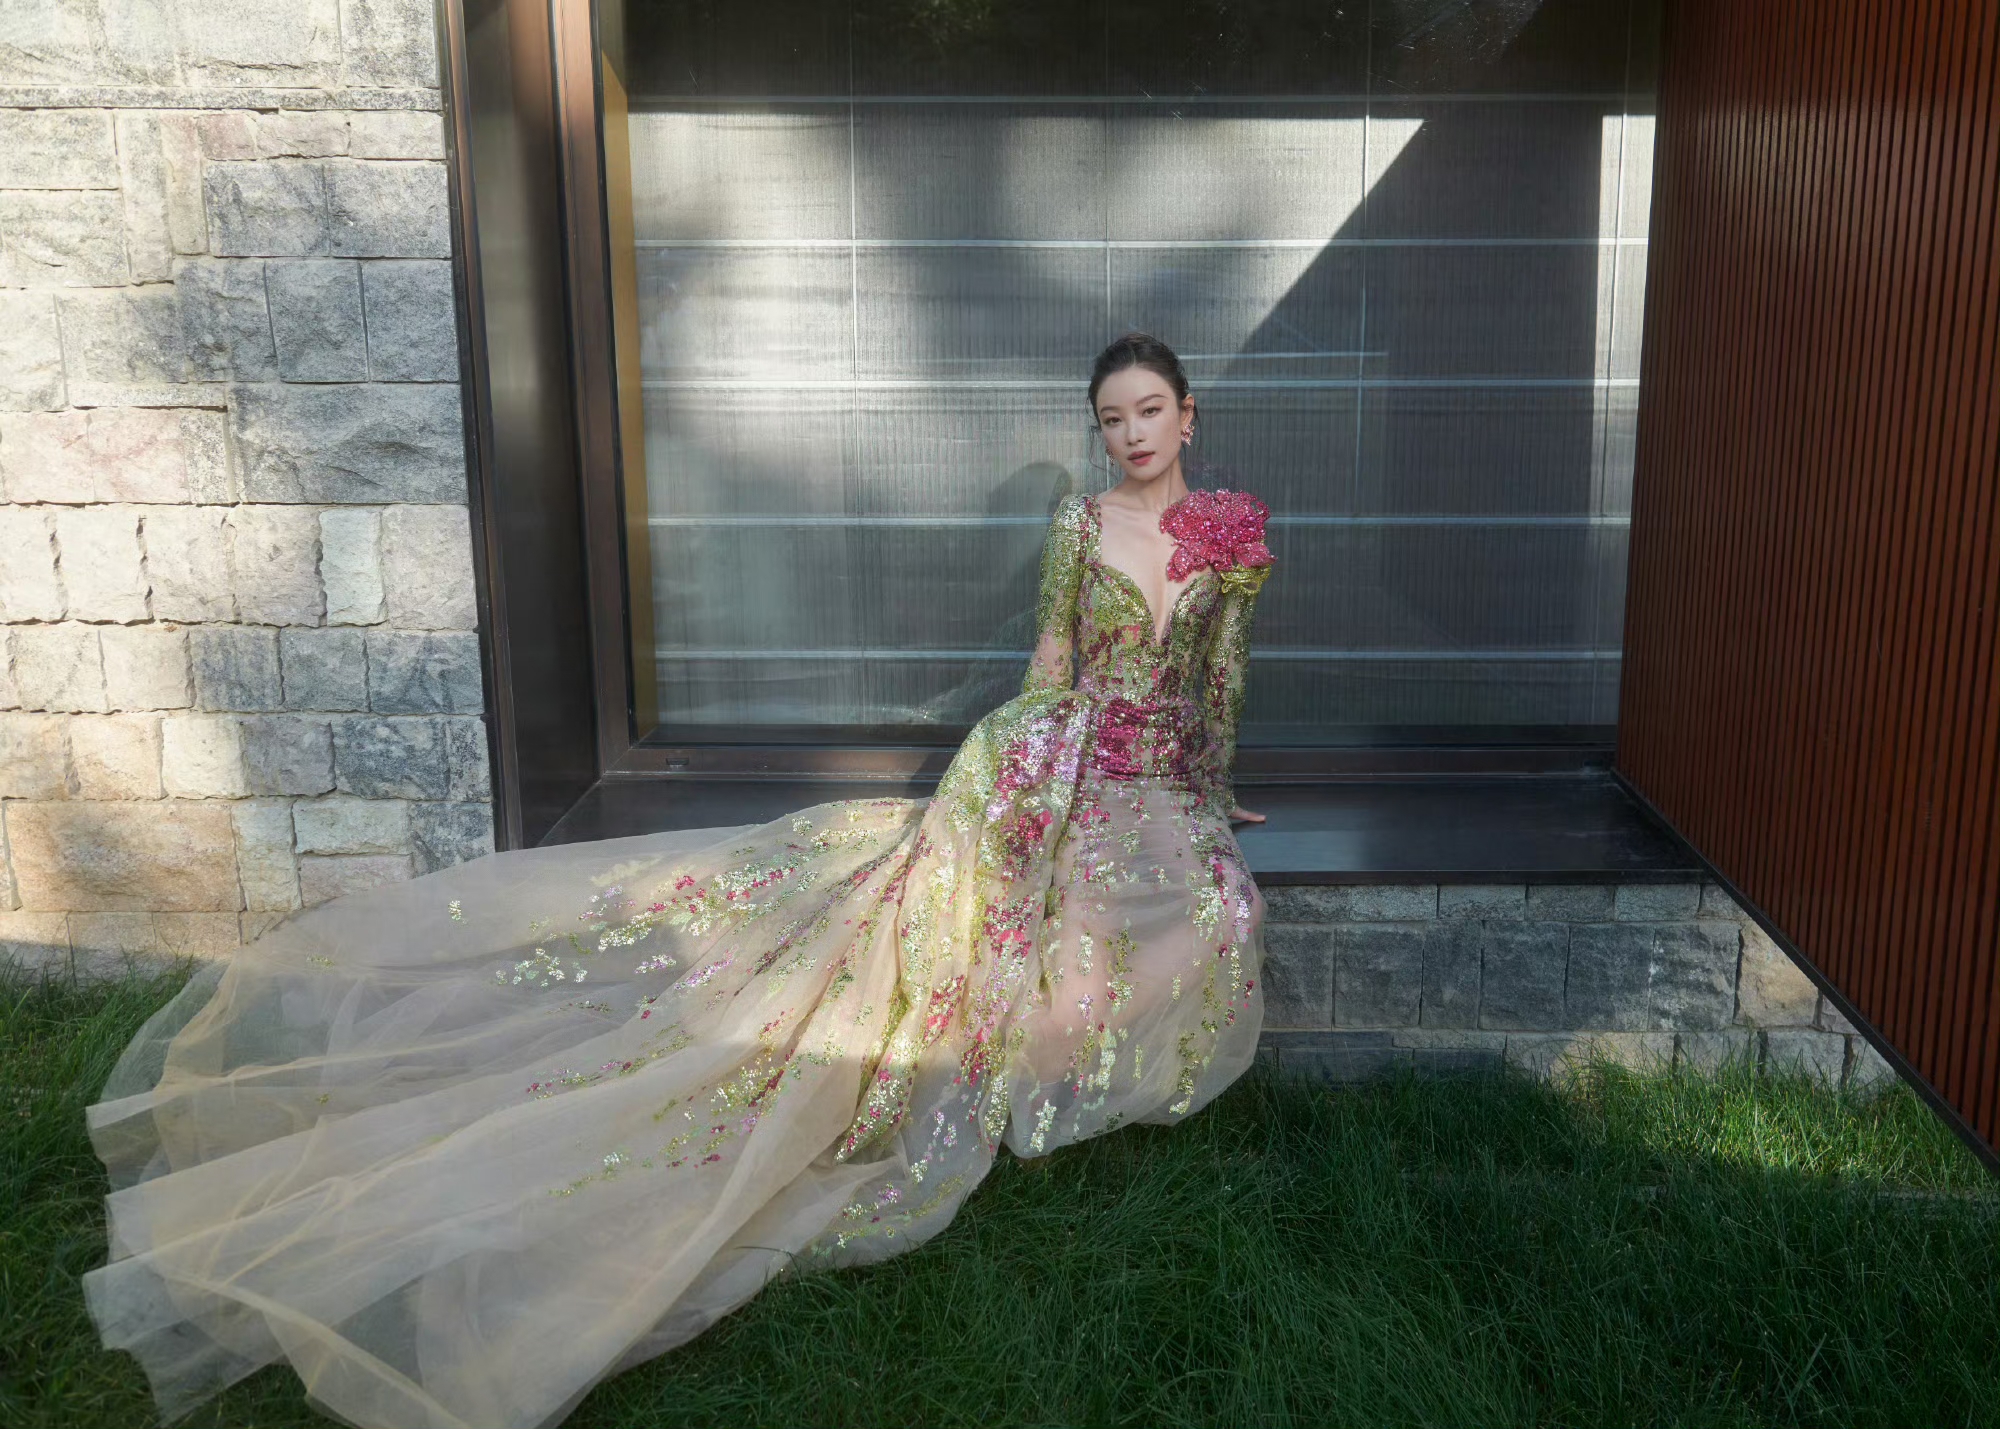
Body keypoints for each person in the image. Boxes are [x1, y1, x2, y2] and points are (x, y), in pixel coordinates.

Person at [81, 332, 1277, 1429]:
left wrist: (1211, 789)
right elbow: (1052, 659)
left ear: (1187, 415)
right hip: (1053, 758)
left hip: (1162, 777)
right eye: (1110, 417)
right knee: (954, 916)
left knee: (1224, 906)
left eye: (1148, 411)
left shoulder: (1232, 531)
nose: (1129, 433)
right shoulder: (1079, 525)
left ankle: (1080, 1076)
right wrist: (1024, 783)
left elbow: (1217, 676)